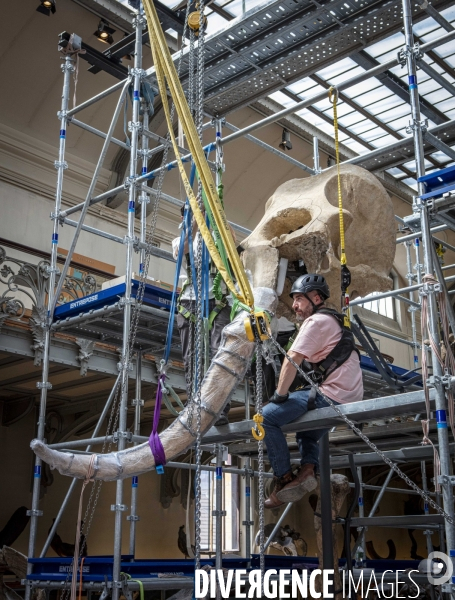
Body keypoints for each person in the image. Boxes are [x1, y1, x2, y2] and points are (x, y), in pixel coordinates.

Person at [263, 273, 363, 509]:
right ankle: (308, 470)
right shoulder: (334, 322)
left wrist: (280, 394)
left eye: (299, 299)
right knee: (306, 434)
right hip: (350, 395)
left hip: (332, 396)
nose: (295, 305)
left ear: (316, 297)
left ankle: (284, 479)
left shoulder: (315, 322)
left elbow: (292, 360)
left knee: (266, 417)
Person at [172, 205, 232, 426]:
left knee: (221, 353)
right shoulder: (181, 239)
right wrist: (195, 221)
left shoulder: (219, 235)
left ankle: (220, 407)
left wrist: (217, 215)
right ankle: (196, 405)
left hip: (218, 300)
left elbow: (232, 245)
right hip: (191, 302)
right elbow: (184, 247)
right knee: (193, 358)